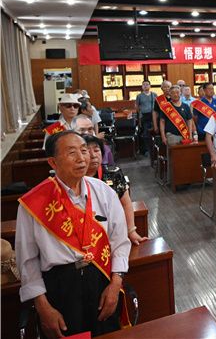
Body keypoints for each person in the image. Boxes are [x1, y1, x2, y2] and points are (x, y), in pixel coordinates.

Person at [16, 131, 130, 338]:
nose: (82, 158)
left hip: (101, 281)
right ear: (53, 162)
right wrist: (43, 307)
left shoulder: (104, 192)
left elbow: (120, 241)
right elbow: (27, 261)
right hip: (61, 289)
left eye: (84, 150)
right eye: (71, 153)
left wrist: (115, 285)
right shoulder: (33, 203)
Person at [83, 134, 148, 245]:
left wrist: (131, 231)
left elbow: (126, 203)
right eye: (88, 152)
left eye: (97, 150)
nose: (93, 156)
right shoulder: (75, 178)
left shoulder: (113, 173)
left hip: (113, 228)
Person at [135, 81, 157, 155]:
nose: (145, 86)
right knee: (145, 133)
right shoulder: (139, 96)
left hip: (153, 116)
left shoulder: (154, 95)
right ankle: (147, 149)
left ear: (150, 86)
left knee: (155, 132)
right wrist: (141, 113)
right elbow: (137, 106)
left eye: (147, 84)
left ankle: (155, 149)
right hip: (144, 116)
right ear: (142, 87)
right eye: (143, 85)